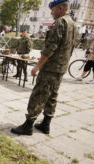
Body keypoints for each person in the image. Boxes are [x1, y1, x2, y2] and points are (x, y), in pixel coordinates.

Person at [11, 0, 77, 135]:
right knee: (52, 95)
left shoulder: (60, 22)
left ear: (60, 8)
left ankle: (28, 125)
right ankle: (46, 124)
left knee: (39, 95)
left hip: (50, 68)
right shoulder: (73, 24)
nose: (51, 13)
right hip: (61, 67)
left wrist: (37, 66)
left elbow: (50, 48)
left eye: (52, 10)